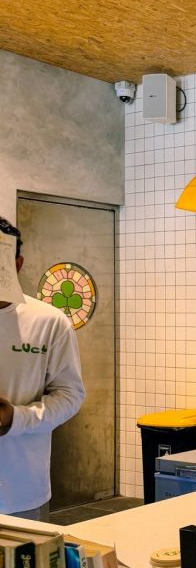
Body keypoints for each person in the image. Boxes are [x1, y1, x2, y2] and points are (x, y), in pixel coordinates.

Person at [0, 217, 85, 519]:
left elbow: (70, 396)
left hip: (21, 490)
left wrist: (16, 418)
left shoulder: (48, 322)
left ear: (17, 263)